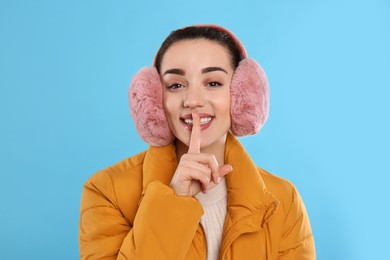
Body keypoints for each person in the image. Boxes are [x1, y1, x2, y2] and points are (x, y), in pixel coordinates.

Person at [79, 24, 315, 259]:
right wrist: (173, 200)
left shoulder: (283, 200)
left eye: (213, 83)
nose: (192, 100)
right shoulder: (106, 192)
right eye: (176, 85)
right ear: (154, 99)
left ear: (243, 94)